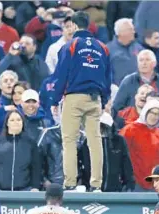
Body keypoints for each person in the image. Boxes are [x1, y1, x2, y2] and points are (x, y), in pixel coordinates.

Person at [51, 11, 112, 191]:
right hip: (95, 99)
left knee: (69, 140)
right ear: (89, 25)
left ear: (75, 26)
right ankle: (96, 184)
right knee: (95, 141)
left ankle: (70, 183)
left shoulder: (70, 46)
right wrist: (105, 98)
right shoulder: (103, 47)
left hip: (74, 97)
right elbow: (108, 77)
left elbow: (61, 75)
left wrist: (54, 100)